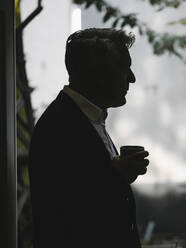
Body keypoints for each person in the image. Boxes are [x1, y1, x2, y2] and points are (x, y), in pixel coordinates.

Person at [29, 28, 149, 248]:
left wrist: (119, 175)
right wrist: (116, 177)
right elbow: (64, 209)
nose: (132, 78)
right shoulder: (59, 126)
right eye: (123, 67)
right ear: (97, 74)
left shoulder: (87, 117)